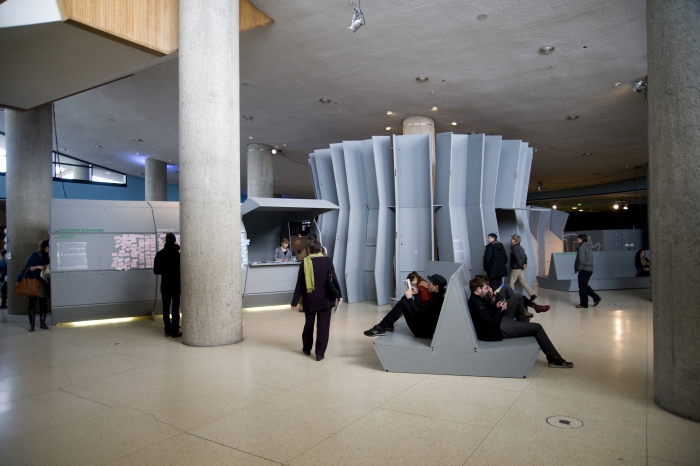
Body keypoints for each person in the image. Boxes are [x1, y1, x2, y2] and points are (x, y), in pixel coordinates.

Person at [467, 276, 573, 368]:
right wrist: (500, 310)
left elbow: (489, 313)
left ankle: (524, 326)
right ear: (478, 289)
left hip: (500, 323)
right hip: (498, 330)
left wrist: (496, 305)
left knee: (518, 297)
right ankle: (554, 360)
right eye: (485, 288)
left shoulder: (479, 299)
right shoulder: (476, 304)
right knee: (537, 327)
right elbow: (491, 323)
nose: (487, 290)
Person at [291, 240, 342, 361]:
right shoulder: (328, 261)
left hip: (310, 299)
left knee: (309, 324)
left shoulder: (304, 263)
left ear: (308, 250)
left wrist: (294, 302)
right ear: (320, 249)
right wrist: (339, 295)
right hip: (326, 299)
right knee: (323, 327)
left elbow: (300, 284)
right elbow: (333, 279)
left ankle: (307, 348)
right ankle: (320, 353)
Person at [364, 273, 448, 338]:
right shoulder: (437, 297)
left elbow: (419, 313)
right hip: (423, 326)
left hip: (422, 332)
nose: (427, 287)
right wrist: (415, 295)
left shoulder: (436, 301)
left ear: (436, 287)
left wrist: (409, 298)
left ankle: (382, 327)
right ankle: (387, 324)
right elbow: (422, 310)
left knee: (403, 302)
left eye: (430, 285)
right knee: (407, 298)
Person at [475, 274, 549, 318]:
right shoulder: (481, 295)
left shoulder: (483, 292)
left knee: (508, 288)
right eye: (486, 286)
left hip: (495, 300)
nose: (488, 287)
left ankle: (535, 307)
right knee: (517, 296)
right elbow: (492, 304)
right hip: (497, 306)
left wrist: (492, 293)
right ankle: (533, 307)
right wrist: (492, 294)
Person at [153, 233, 181, 338]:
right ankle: (175, 330)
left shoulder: (160, 254)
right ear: (174, 241)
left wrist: (165, 270)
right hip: (176, 285)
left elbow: (156, 271)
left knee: (165, 307)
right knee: (175, 308)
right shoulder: (177, 255)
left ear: (166, 240)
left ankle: (167, 329)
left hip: (165, 285)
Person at [19, 240, 51, 331]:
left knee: (43, 303)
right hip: (33, 281)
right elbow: (27, 268)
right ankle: (31, 324)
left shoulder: (49, 255)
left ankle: (42, 322)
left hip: (44, 281)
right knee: (32, 303)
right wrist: (38, 267)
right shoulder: (35, 255)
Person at [574, 234, 601, 308]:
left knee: (582, 287)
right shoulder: (588, 247)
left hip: (584, 269)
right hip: (589, 269)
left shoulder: (582, 247)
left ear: (581, 239)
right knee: (584, 286)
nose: (577, 240)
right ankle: (594, 299)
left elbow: (581, 259)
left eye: (578, 239)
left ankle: (584, 303)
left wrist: (579, 268)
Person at [508, 234, 537, 301]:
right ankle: (532, 294)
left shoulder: (514, 248)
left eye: (512, 239)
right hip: (521, 268)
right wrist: (524, 264)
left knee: (511, 282)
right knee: (523, 281)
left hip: (516, 268)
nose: (510, 240)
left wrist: (521, 265)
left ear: (515, 240)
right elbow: (525, 257)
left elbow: (517, 258)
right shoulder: (521, 248)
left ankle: (511, 297)